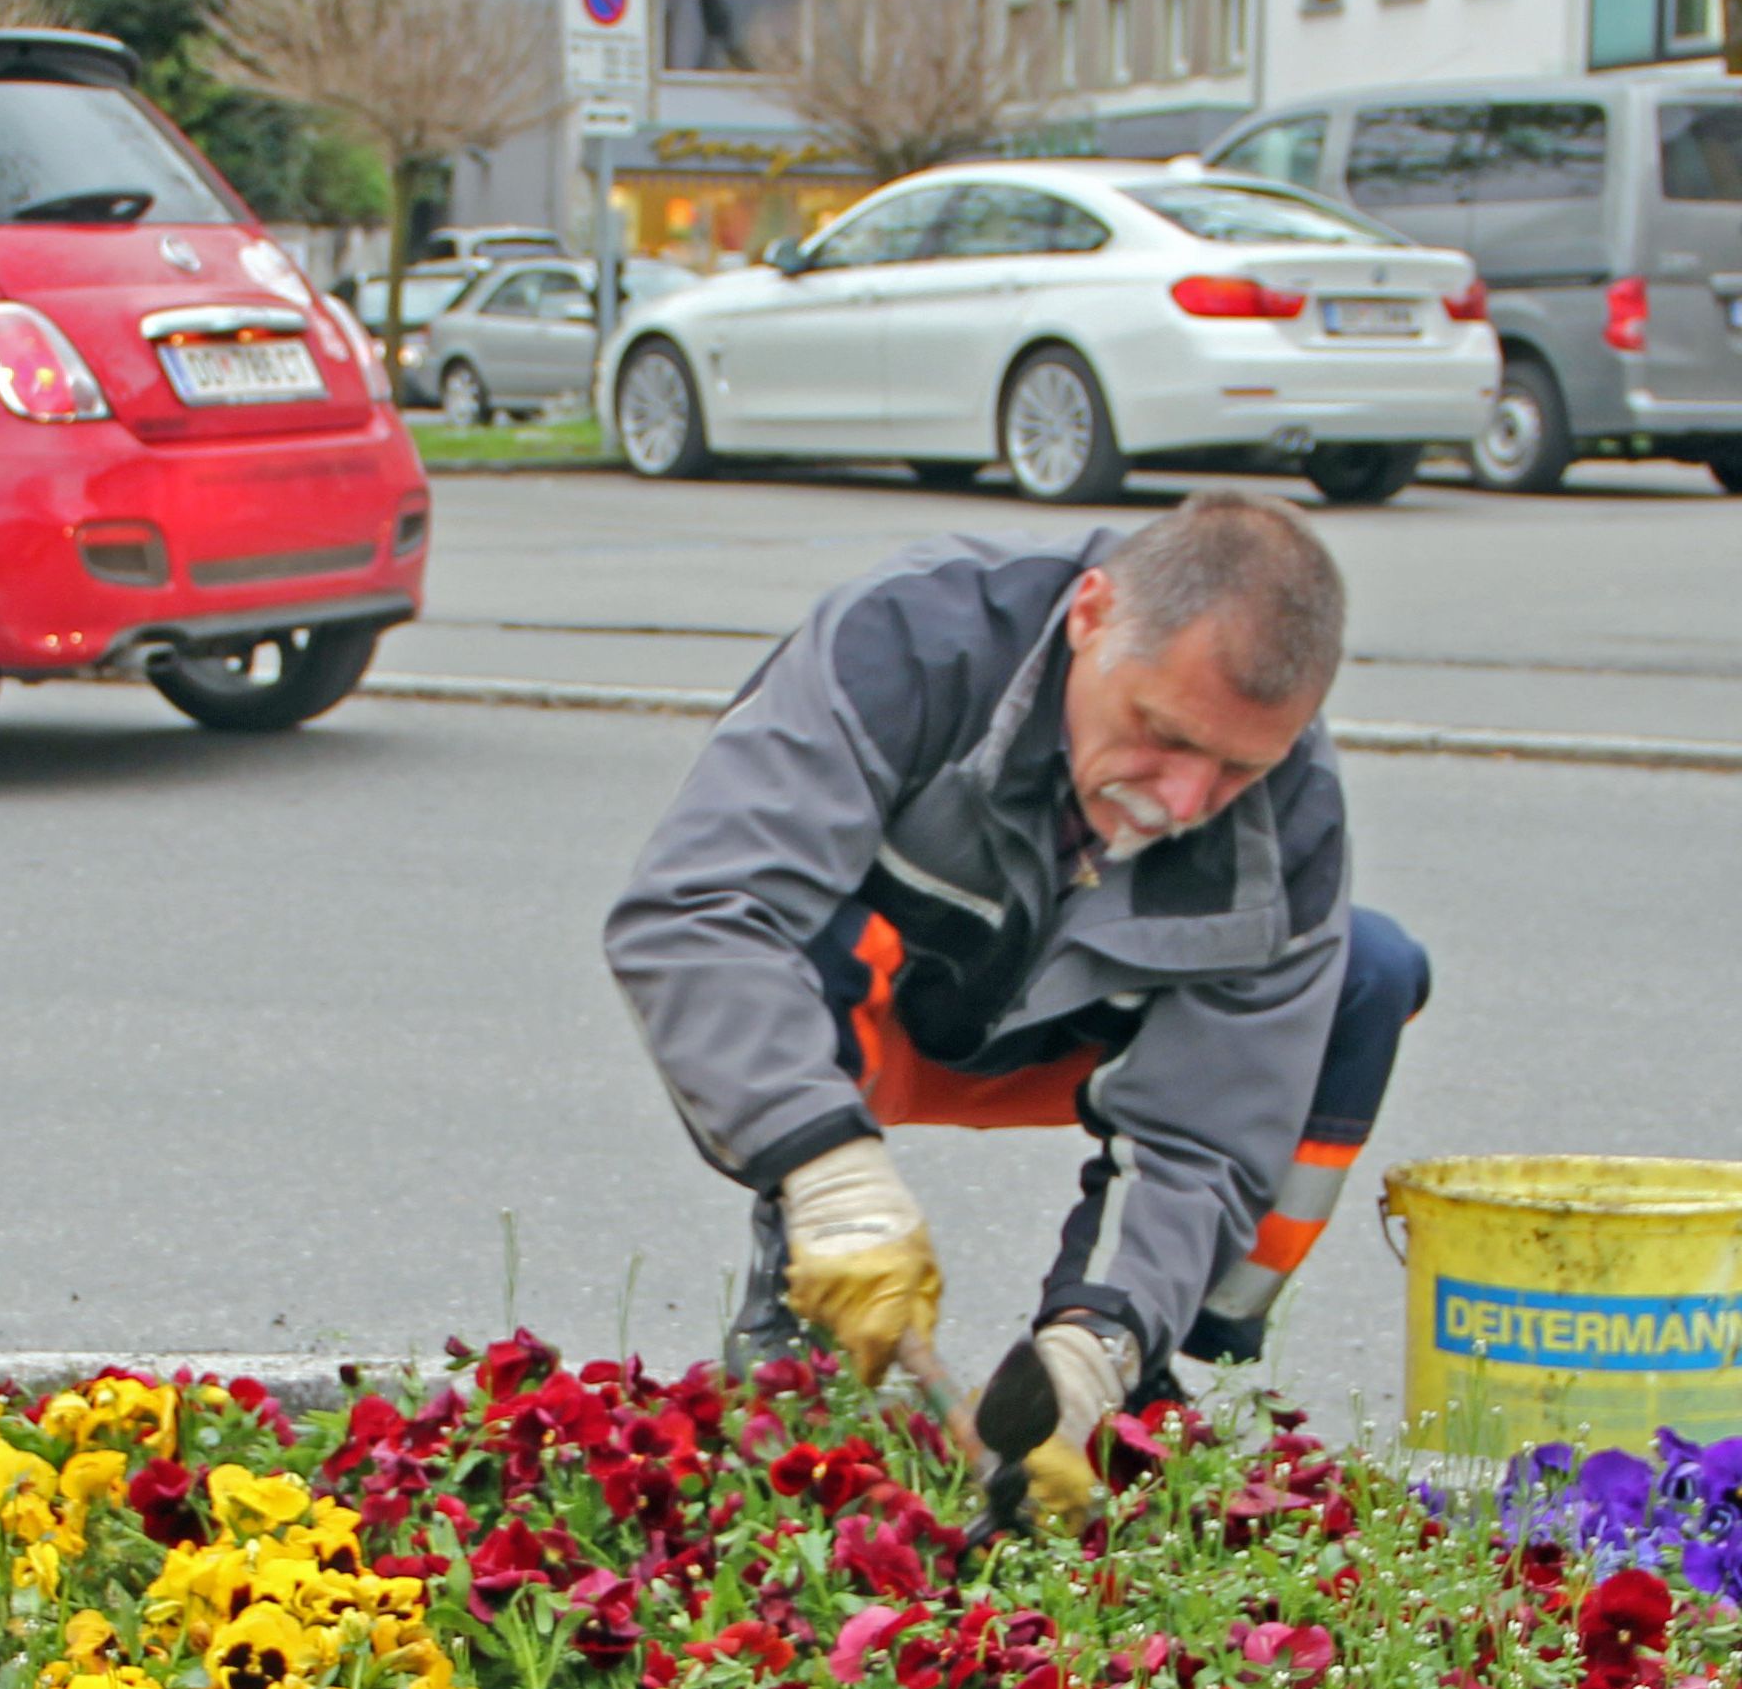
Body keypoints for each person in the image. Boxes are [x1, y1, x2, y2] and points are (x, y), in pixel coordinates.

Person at [604, 490, 1429, 1519]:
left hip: (1080, 1032)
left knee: (1368, 972)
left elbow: (1207, 1134)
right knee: (784, 921)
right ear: (1089, 614)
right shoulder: (908, 641)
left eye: (1234, 768)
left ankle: (1155, 1360)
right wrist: (823, 1173)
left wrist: (1098, 1342)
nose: (1180, 800)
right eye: (1159, 733)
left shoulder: (1292, 810)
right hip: (869, 1015)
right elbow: (698, 911)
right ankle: (805, 1305)